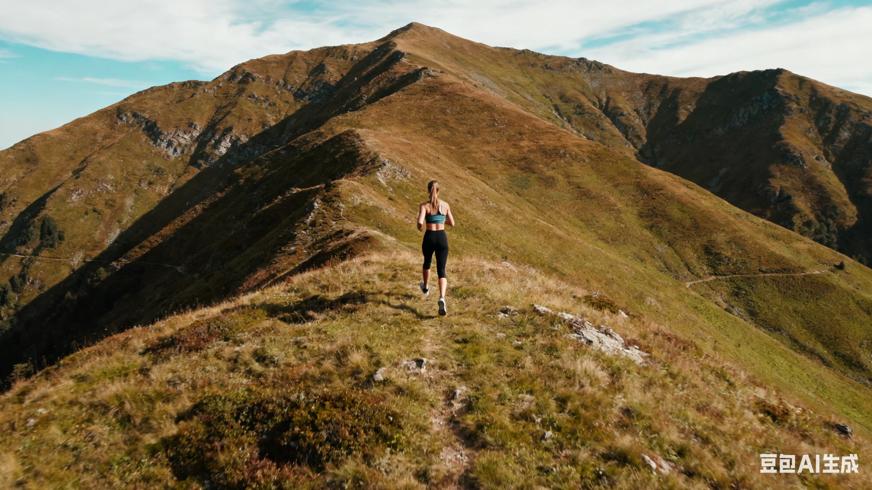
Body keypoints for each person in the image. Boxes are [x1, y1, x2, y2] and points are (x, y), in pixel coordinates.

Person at [416, 180, 455, 316]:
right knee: (441, 270)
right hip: (442, 238)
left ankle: (426, 288)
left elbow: (420, 222)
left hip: (429, 237)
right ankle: (442, 297)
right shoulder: (445, 205)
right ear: (438, 191)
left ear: (428, 191)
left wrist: (420, 225)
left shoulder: (424, 206)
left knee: (427, 263)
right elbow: (452, 223)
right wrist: (441, 219)